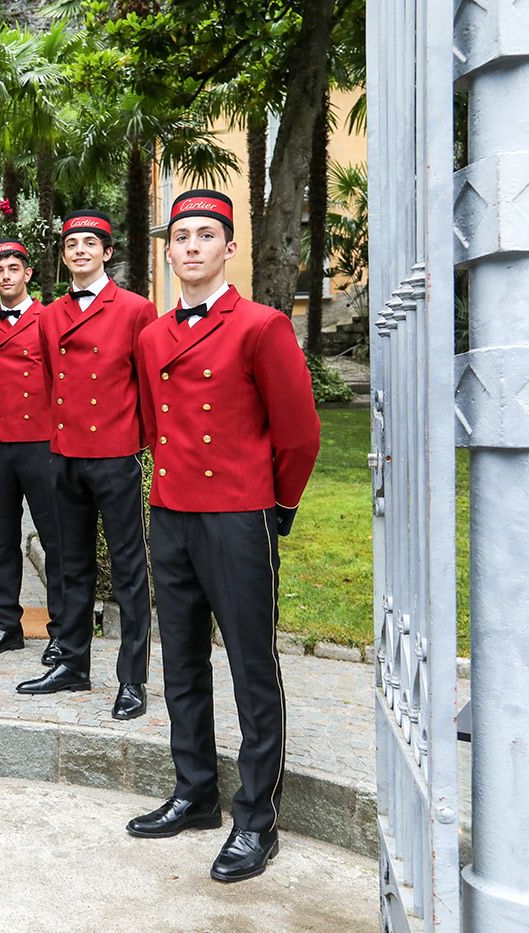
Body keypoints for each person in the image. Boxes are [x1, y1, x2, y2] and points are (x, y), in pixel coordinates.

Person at [126, 188, 320, 883]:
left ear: (229, 247)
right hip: (173, 511)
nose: (192, 248)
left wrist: (276, 510)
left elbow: (298, 433)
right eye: (181, 238)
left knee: (250, 667)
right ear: (169, 250)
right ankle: (195, 791)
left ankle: (256, 819)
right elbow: (154, 424)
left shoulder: (262, 326)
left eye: (206, 235)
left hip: (238, 516)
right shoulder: (151, 336)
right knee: (180, 661)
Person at [19, 210, 156, 723]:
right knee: (69, 563)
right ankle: (73, 662)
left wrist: (137, 442)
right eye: (70, 243)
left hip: (117, 455)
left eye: (88, 243)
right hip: (66, 454)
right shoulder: (51, 314)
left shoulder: (137, 310)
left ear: (107, 253)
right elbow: (56, 379)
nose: (78, 250)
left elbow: (147, 383)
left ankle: (132, 679)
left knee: (128, 568)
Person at [0, 238, 64, 663]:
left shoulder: (51, 318)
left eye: (13, 269)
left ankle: (62, 630)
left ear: (27, 274)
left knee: (56, 539)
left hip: (42, 443)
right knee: (3, 540)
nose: (5, 277)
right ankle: (7, 625)